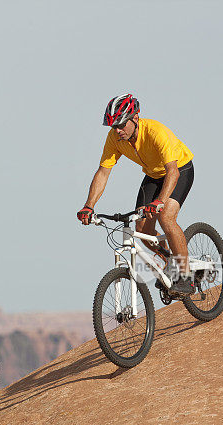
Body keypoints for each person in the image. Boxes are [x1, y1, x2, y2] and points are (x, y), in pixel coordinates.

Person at [77, 93, 196, 296]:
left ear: (135, 117)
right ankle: (169, 261)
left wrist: (159, 201)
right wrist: (89, 206)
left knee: (166, 217)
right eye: (113, 126)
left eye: (121, 125)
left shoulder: (155, 132)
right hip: (152, 175)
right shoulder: (114, 138)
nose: (117, 130)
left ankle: (186, 278)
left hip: (179, 170)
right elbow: (103, 172)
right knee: (141, 227)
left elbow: (172, 171)